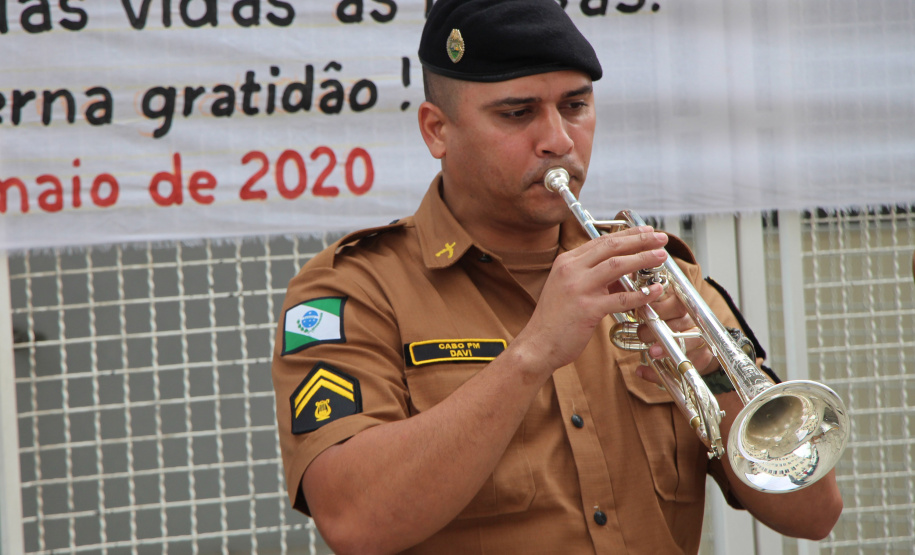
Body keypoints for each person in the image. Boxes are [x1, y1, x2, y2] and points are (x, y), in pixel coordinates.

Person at [271, 0, 843, 553]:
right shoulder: (353, 290)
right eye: (517, 113)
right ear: (436, 130)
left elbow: (813, 514)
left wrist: (713, 372)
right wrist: (532, 354)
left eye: (575, 106)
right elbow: (354, 522)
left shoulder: (661, 273)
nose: (559, 140)